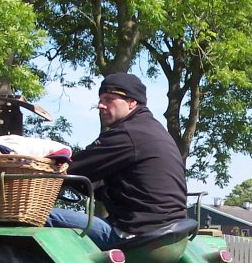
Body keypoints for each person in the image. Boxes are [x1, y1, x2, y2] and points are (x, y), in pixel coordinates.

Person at [47, 73, 187, 249]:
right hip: (167, 234)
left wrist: (43, 167)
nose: (100, 105)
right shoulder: (151, 129)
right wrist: (83, 184)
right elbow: (123, 187)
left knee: (39, 216)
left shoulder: (128, 134)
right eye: (100, 99)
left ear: (132, 102)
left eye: (109, 99)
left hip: (135, 234)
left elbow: (71, 168)